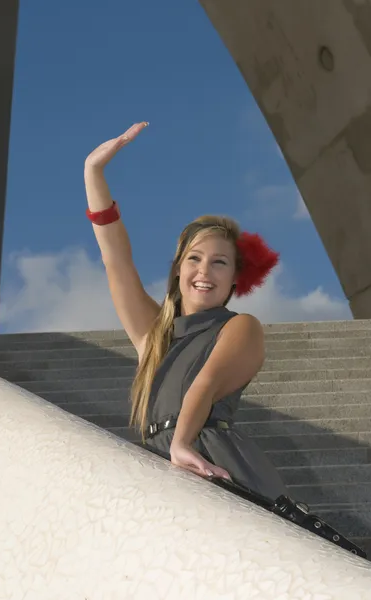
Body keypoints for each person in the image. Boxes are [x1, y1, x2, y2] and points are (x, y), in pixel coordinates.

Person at [84, 121, 287, 501]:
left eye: (220, 263)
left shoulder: (241, 327)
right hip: (163, 463)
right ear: (178, 267)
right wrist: (93, 172)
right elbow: (116, 260)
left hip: (210, 460)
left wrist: (180, 444)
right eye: (194, 258)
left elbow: (205, 384)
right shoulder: (154, 336)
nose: (204, 272)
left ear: (235, 280)